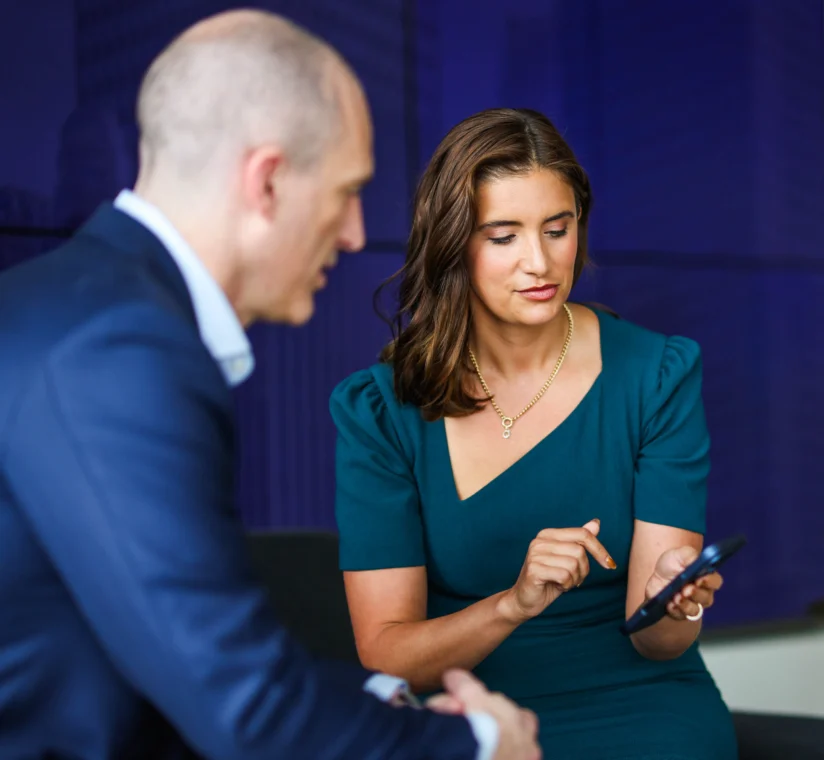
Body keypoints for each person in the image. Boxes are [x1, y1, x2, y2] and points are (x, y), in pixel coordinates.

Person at [0, 12, 540, 760]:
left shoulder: (82, 307)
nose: (355, 233)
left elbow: (159, 655)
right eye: (348, 191)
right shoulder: (120, 348)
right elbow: (245, 712)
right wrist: (483, 744)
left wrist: (379, 703)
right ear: (268, 181)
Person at [330, 107, 738, 759]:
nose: (540, 262)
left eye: (557, 229)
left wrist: (675, 600)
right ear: (454, 243)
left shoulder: (656, 375)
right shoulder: (381, 410)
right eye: (503, 236)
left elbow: (653, 638)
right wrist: (512, 604)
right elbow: (390, 653)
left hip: (642, 711)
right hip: (475, 714)